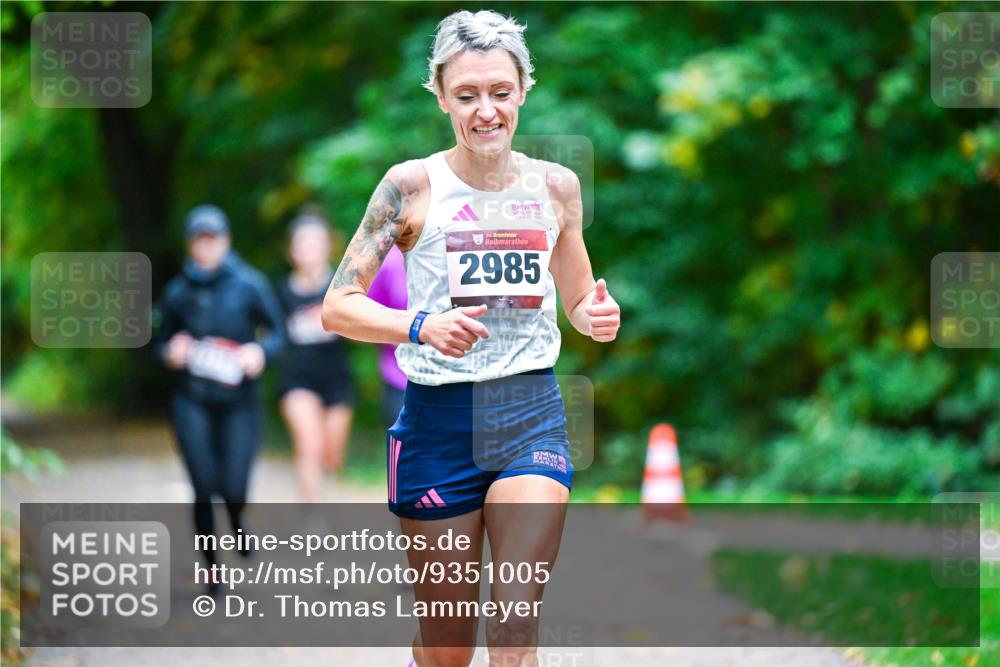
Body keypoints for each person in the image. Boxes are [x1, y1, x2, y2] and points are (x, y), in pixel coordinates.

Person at [322, 9, 620, 667]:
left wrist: (594, 314)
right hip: (438, 425)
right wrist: (420, 325)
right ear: (440, 95)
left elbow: (576, 297)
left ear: (523, 90)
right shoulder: (411, 187)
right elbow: (338, 306)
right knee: (448, 647)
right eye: (467, 95)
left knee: (514, 627)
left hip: (531, 418)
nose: (486, 110)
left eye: (500, 92)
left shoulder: (557, 189)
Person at [154, 204, 286, 594]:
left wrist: (260, 353)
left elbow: (279, 331)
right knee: (202, 485)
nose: (207, 247)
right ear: (191, 245)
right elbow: (159, 342)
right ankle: (212, 569)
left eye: (214, 239)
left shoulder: (250, 284)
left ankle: (239, 522)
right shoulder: (177, 291)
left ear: (226, 241)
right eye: (200, 240)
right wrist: (168, 352)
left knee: (233, 488)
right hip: (191, 401)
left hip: (239, 402)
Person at [276, 206, 356, 503]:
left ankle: (325, 490)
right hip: (297, 378)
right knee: (309, 445)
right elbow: (269, 333)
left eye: (315, 242)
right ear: (291, 250)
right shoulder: (280, 292)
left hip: (337, 378)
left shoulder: (344, 288)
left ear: (327, 247)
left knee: (331, 453)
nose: (309, 249)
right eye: (302, 242)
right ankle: (312, 516)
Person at [367, 244, 408, 428]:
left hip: (458, 381)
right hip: (401, 380)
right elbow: (368, 318)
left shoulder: (462, 246)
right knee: (404, 454)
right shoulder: (390, 260)